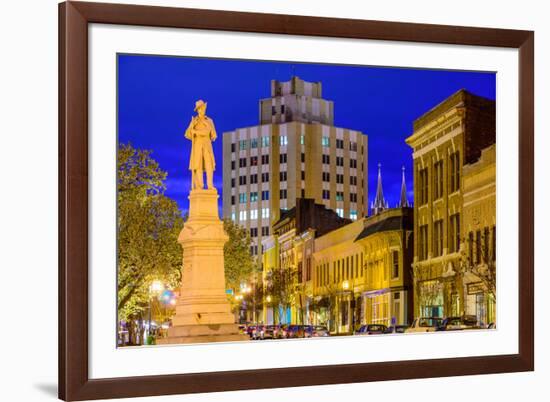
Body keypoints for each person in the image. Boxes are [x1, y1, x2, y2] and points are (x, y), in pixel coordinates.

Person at [184, 100, 217, 190]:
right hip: (197, 145)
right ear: (197, 110)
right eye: (199, 108)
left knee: (209, 164)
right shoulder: (194, 121)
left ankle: (210, 185)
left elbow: (211, 133)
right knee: (197, 165)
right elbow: (187, 134)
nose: (201, 110)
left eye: (202, 108)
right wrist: (192, 128)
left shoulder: (209, 121)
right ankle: (199, 186)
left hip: (207, 144)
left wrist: (196, 132)